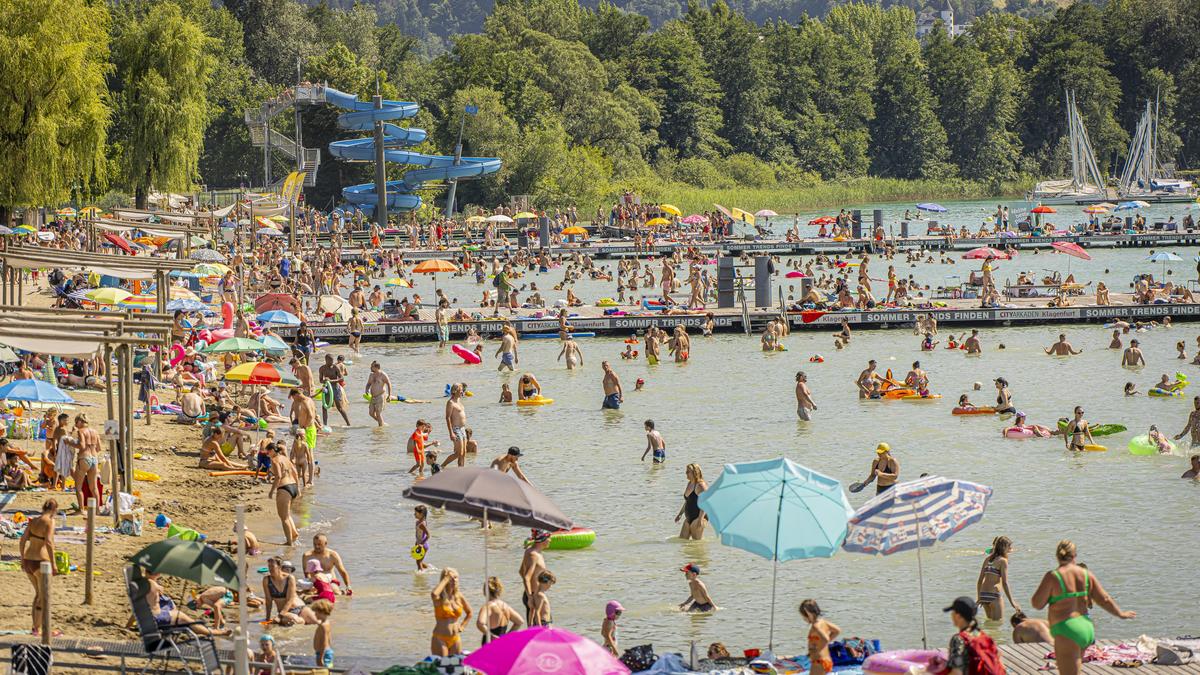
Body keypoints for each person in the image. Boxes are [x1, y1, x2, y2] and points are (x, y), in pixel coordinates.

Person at [1031, 540, 1135, 675]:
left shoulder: (1054, 576)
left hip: (1066, 629)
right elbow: (1104, 599)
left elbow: (1037, 604)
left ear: (1057, 556)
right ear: (1075, 555)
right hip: (1086, 628)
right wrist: (1121, 614)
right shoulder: (1086, 574)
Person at [20, 499, 57, 636]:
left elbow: (23, 539)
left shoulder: (33, 521)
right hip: (41, 562)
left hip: (29, 560)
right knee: (43, 596)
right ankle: (38, 629)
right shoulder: (50, 521)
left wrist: (22, 558)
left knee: (38, 594)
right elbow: (48, 542)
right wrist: (53, 563)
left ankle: (36, 627)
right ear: (54, 510)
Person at [942, 597, 997, 675]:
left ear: (958, 616)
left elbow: (957, 672)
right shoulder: (983, 636)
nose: (951, 615)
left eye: (953, 612)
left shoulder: (959, 639)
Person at [261, 557, 316, 626]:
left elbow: (290, 600)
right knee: (295, 621)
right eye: (269, 566)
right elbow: (268, 600)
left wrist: (279, 616)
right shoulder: (266, 580)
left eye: (272, 566)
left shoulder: (290, 578)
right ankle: (299, 620)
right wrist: (267, 619)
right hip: (285, 613)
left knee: (317, 622)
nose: (270, 569)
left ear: (279, 567)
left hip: (300, 607)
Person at [977, 536, 1020, 621]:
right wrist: (1012, 602)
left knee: (989, 623)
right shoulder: (1003, 561)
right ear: (1004, 547)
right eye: (1009, 546)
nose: (1010, 549)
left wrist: (979, 598)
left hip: (983, 594)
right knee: (997, 624)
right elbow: (1005, 583)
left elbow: (979, 581)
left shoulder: (987, 559)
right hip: (994, 595)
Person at [431, 568, 472, 656]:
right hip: (440, 638)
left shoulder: (459, 596)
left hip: (455, 638)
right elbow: (434, 594)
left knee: (456, 666)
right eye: (451, 578)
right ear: (444, 580)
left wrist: (462, 626)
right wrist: (446, 579)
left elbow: (469, 613)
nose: (454, 580)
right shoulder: (439, 598)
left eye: (455, 577)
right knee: (442, 666)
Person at [267, 443, 301, 546]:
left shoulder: (275, 460)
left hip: (284, 488)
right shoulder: (285, 458)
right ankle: (294, 534)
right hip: (293, 486)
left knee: (283, 517)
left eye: (268, 452)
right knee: (287, 514)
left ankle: (289, 542)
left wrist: (272, 491)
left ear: (272, 450)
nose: (267, 454)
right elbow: (295, 472)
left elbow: (278, 476)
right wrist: (298, 488)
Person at [477, 577, 524, 645]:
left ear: (485, 591)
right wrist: (507, 636)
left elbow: (480, 623)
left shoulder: (488, 606)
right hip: (502, 643)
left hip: (489, 643)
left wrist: (491, 635)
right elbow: (520, 622)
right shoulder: (505, 606)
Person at [801, 599, 840, 675]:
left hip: (819, 662)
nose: (804, 619)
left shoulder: (816, 627)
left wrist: (818, 647)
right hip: (825, 660)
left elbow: (825, 639)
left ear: (808, 614)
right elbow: (837, 630)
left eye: (804, 616)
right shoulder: (823, 622)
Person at [520, 531, 551, 624]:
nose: (551, 540)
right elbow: (526, 577)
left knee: (539, 626)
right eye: (549, 538)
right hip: (534, 596)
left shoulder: (533, 552)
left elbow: (521, 571)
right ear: (542, 540)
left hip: (535, 594)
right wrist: (530, 597)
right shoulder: (533, 555)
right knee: (542, 626)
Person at [675, 463, 707, 540]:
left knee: (696, 545)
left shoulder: (700, 485)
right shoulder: (689, 483)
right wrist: (680, 514)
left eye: (688, 471)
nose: (686, 473)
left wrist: (700, 519)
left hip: (698, 517)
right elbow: (688, 501)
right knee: (682, 541)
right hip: (689, 517)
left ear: (695, 472)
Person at [317, 354, 351, 427]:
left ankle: (348, 424)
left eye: (332, 360)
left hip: (335, 388)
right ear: (326, 360)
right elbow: (320, 380)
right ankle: (325, 425)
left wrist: (331, 381)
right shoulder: (322, 368)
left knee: (340, 408)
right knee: (324, 407)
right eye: (330, 361)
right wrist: (325, 380)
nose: (332, 362)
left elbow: (341, 378)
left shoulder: (335, 367)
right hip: (327, 389)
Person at [441, 384, 469, 468]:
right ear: (455, 391)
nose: (462, 391)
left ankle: (461, 469)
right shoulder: (450, 402)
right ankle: (442, 466)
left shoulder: (459, 400)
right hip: (456, 429)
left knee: (464, 452)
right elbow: (448, 418)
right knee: (458, 453)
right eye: (460, 390)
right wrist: (451, 433)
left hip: (462, 429)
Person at [365, 361, 392, 427]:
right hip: (373, 397)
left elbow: (389, 384)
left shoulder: (383, 375)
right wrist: (366, 389)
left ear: (376, 367)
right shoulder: (371, 374)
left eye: (372, 366)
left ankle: (380, 430)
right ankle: (382, 423)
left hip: (380, 396)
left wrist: (389, 395)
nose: (370, 367)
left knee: (378, 413)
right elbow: (368, 383)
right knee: (371, 413)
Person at [311, 598, 335, 668]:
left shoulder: (323, 626)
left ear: (322, 612)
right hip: (327, 651)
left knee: (323, 670)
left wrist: (321, 657)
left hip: (323, 653)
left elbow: (324, 643)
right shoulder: (326, 623)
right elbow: (329, 639)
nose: (315, 615)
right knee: (327, 669)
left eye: (316, 613)